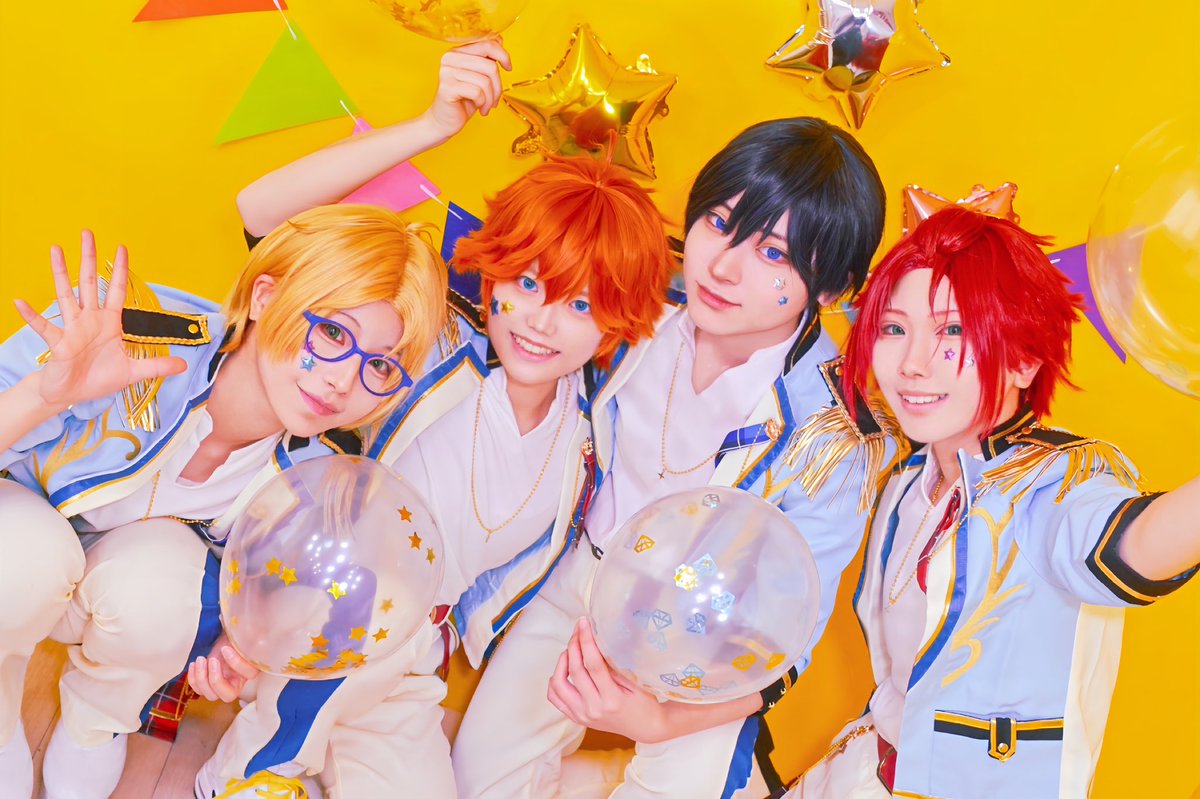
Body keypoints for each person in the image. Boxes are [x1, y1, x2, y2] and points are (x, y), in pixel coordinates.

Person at [185, 39, 676, 798]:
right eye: (528, 282)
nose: (541, 320)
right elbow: (262, 215)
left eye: (581, 304)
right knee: (274, 764)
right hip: (323, 620)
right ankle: (247, 775)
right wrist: (430, 126)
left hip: (413, 664)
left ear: (617, 323)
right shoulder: (432, 343)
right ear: (496, 271)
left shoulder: (589, 431)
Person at [450, 115, 896, 799]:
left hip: (711, 642)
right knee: (477, 784)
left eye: (773, 254)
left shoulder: (836, 433)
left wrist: (659, 721)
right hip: (581, 580)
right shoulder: (637, 295)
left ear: (833, 288)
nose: (722, 266)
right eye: (719, 223)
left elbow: (789, 644)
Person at [0, 204, 447, 799]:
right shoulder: (124, 333)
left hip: (118, 595)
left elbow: (259, 599)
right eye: (334, 333)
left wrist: (238, 649)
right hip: (22, 559)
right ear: (265, 296)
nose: (343, 381)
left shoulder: (318, 476)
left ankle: (95, 722)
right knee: (30, 554)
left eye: (381, 366)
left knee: (166, 577)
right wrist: (47, 394)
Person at [787, 207, 1199, 798]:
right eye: (894, 329)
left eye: (953, 331)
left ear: (1024, 359)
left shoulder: (1051, 483)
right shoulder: (904, 482)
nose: (912, 364)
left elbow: (1135, 544)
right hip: (863, 775)